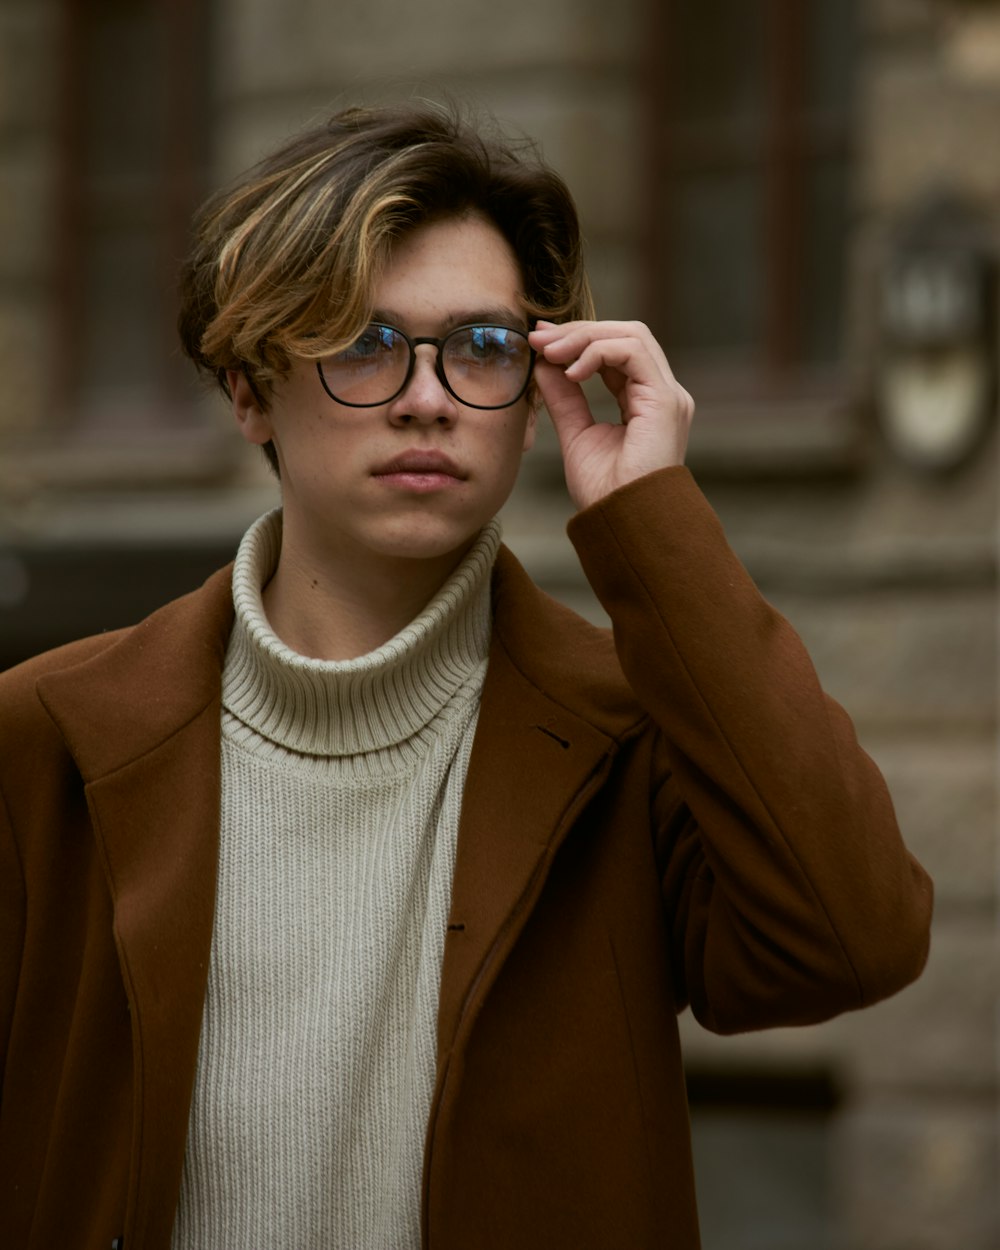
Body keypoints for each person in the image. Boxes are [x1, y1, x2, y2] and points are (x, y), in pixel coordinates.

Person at [0, 102, 932, 1250]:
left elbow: (853, 940)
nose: (427, 395)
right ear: (248, 392)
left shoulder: (626, 734)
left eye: (483, 347)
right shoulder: (46, 731)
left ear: (536, 400)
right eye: (363, 342)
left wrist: (653, 525)